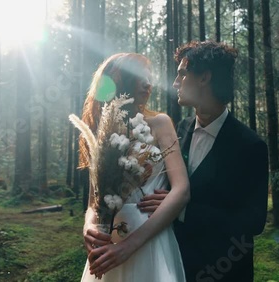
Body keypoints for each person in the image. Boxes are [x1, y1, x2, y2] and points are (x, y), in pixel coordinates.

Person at [138, 41, 269, 282]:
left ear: (204, 77)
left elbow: (253, 221)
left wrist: (182, 210)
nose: (176, 83)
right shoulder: (181, 129)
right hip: (176, 266)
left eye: (182, 74)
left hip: (225, 272)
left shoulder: (250, 146)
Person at [80, 53, 190, 282]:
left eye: (150, 78)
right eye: (141, 77)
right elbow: (94, 201)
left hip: (149, 239)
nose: (149, 84)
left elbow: (181, 190)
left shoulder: (160, 123)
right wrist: (88, 227)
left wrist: (129, 246)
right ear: (120, 77)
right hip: (107, 244)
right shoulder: (101, 131)